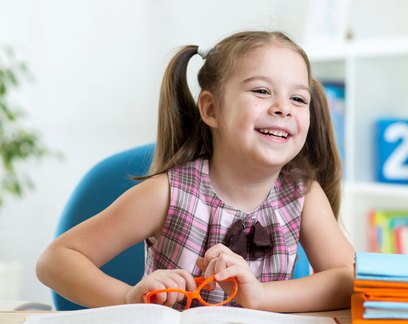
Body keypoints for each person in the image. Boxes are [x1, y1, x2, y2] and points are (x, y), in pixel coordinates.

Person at [36, 30, 355, 312]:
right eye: (261, 91)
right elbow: (55, 261)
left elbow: (351, 278)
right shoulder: (168, 193)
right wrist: (128, 297)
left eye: (298, 98)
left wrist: (259, 297)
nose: (283, 107)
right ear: (211, 109)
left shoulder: (302, 195)